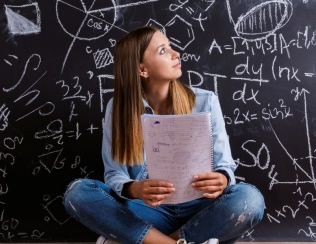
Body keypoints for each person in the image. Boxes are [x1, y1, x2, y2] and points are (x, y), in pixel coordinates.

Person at [63, 26, 265, 244]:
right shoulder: (118, 108)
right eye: (162, 50)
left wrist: (222, 179)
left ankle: (140, 239)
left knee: (249, 199)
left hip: (200, 208)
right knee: (78, 192)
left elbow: (225, 165)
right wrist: (136, 188)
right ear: (142, 69)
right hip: (148, 210)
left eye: (170, 46)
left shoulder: (206, 101)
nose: (175, 53)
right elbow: (114, 175)